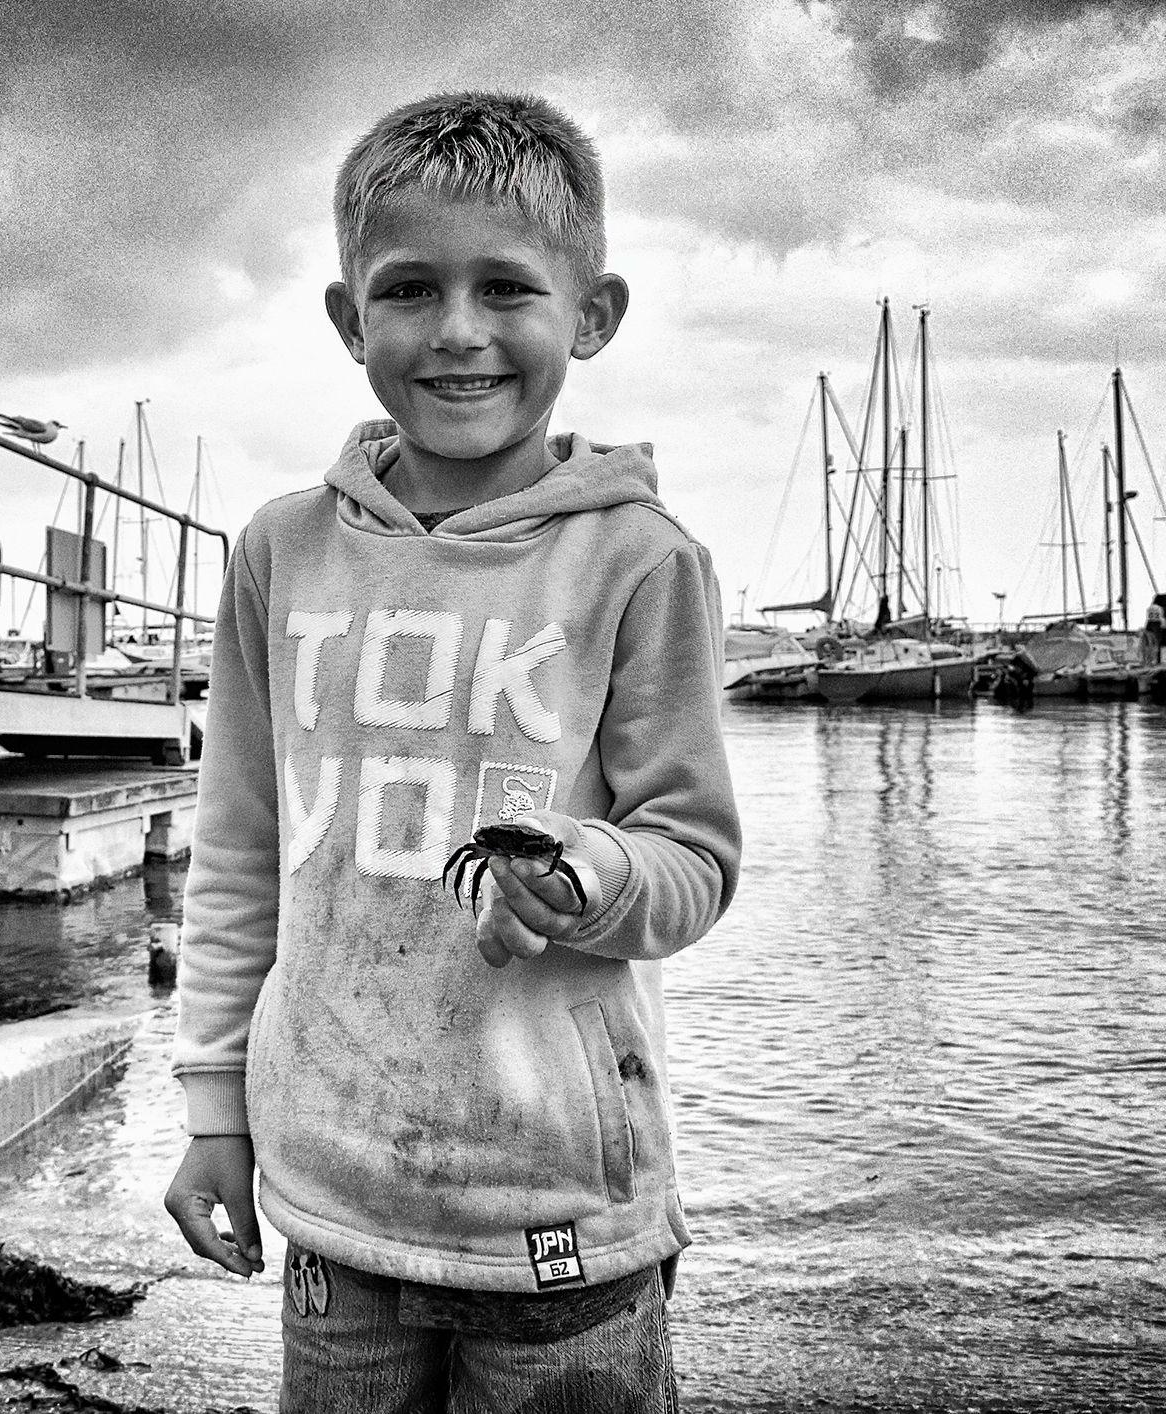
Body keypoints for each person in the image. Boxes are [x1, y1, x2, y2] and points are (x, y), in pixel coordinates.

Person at [164, 90, 741, 1412]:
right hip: (333, 1209)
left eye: (508, 287)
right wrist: (216, 1114)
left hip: (560, 1213)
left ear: (592, 314)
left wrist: (588, 874)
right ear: (349, 317)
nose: (460, 330)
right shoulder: (280, 553)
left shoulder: (641, 560)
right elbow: (240, 852)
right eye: (411, 289)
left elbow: (695, 857)